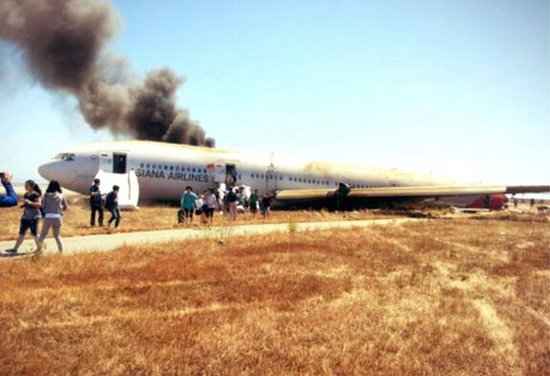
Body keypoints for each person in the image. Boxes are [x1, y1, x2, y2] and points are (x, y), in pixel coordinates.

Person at [5, 180, 42, 254]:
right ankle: (15, 249)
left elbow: (39, 204)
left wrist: (30, 202)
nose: (25, 186)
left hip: (34, 217)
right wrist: (23, 205)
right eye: (25, 185)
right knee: (21, 233)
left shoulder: (36, 194)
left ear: (31, 186)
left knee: (34, 234)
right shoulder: (26, 194)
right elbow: (27, 204)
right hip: (25, 217)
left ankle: (40, 249)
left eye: (26, 185)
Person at [35, 180, 68, 254]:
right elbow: (66, 207)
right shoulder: (61, 195)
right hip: (58, 217)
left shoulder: (46, 195)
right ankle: (61, 252)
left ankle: (39, 250)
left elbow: (42, 206)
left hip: (48, 217)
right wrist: (59, 209)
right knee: (57, 236)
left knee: (43, 235)